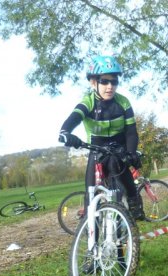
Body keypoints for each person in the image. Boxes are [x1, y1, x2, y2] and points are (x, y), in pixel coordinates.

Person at [58, 55, 144, 221]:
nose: (110, 86)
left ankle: (134, 203)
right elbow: (74, 117)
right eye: (104, 81)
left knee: (125, 178)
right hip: (97, 150)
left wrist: (131, 153)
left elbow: (131, 132)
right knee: (90, 193)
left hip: (119, 148)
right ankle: (90, 227)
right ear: (93, 82)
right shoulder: (89, 102)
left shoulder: (123, 102)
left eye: (114, 81)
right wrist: (65, 132)